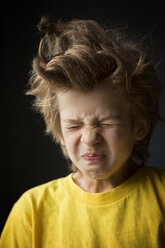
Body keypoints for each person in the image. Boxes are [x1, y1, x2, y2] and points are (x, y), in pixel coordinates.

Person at [1, 16, 165, 247]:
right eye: (74, 126)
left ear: (139, 126)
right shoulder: (31, 211)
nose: (90, 138)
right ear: (59, 133)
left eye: (107, 123)